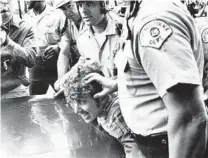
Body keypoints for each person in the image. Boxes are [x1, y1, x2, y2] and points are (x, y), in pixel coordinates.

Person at [84, 0, 208, 158]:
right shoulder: (137, 11)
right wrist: (118, 83)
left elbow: (189, 117)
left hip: (170, 145)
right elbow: (153, 71)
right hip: (158, 144)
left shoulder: (153, 19)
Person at [62, 58, 141, 158]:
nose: (76, 110)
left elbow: (135, 149)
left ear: (101, 96)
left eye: (82, 101)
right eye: (72, 102)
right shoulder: (101, 109)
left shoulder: (115, 118)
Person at [54, 0, 123, 96]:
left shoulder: (123, 32)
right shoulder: (83, 38)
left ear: (103, 4)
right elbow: (85, 63)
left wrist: (114, 83)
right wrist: (67, 83)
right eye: (80, 5)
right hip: (103, 101)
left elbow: (138, 73)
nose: (83, 11)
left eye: (89, 4)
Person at [23, 0, 69, 95]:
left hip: (55, 64)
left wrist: (57, 47)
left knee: (64, 95)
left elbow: (68, 39)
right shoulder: (26, 18)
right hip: (35, 66)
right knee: (35, 101)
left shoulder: (58, 14)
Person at [0, 0, 36, 98]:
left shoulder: (25, 28)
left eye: (7, 1)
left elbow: (31, 60)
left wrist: (8, 43)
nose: (3, 4)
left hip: (15, 91)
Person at [55, 0, 81, 80]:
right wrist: (60, 80)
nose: (68, 12)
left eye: (70, 6)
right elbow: (64, 53)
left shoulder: (92, 21)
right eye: (63, 9)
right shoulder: (68, 24)